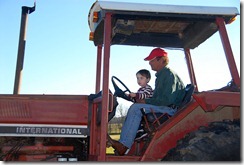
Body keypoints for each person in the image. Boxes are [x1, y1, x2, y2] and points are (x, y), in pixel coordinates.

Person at [107, 47, 186, 156]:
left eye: (151, 60)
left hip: (169, 109)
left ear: (161, 59)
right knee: (136, 106)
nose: (149, 63)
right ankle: (125, 143)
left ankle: (124, 146)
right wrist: (141, 100)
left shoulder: (168, 75)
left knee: (135, 108)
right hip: (164, 106)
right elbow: (157, 97)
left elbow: (167, 100)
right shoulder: (161, 75)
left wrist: (145, 101)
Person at [127, 69, 153, 140]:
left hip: (148, 108)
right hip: (142, 107)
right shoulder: (140, 90)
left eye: (141, 78)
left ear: (148, 79)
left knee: (136, 113)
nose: (139, 80)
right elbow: (137, 98)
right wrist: (128, 96)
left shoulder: (148, 88)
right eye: (137, 78)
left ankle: (141, 132)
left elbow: (143, 95)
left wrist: (135, 95)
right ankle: (136, 132)